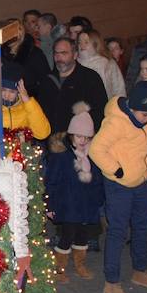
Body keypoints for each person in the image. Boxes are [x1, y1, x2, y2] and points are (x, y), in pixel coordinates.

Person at [89, 80, 147, 293]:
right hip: (118, 185)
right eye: (144, 114)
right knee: (118, 231)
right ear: (132, 107)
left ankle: (139, 270)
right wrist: (116, 169)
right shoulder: (116, 123)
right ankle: (111, 282)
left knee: (142, 225)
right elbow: (96, 149)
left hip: (141, 183)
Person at [45, 104, 102, 281]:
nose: (82, 141)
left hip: (86, 205)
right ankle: (59, 267)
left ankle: (80, 264)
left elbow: (98, 180)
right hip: (68, 204)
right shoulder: (62, 156)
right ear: (71, 135)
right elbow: (52, 182)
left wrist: (98, 199)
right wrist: (50, 205)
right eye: (79, 136)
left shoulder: (92, 155)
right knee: (67, 235)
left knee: (82, 235)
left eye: (86, 137)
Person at [41, 36, 108, 137]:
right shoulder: (47, 80)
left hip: (80, 140)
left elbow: (100, 111)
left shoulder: (89, 78)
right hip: (53, 140)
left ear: (75, 55)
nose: (59, 57)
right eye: (56, 53)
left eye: (64, 53)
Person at [0, 59, 51, 139]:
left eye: (12, 91)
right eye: (3, 90)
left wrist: (28, 101)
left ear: (19, 91)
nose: (7, 95)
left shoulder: (26, 107)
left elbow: (43, 133)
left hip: (21, 150)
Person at [78, 29, 125, 99]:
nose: (82, 45)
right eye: (79, 42)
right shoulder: (75, 63)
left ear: (96, 44)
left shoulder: (108, 63)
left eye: (86, 42)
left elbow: (118, 87)